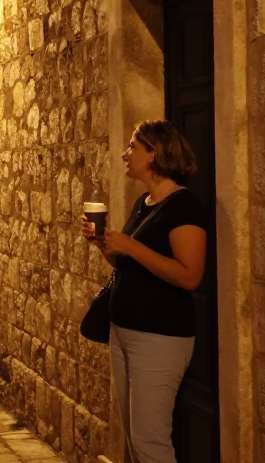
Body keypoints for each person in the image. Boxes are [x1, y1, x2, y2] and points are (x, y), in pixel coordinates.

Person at [82, 120, 208, 463]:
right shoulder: (144, 202)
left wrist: (132, 247)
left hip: (160, 337)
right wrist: (103, 246)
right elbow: (129, 267)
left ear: (155, 154)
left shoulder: (184, 207)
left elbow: (189, 276)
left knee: (150, 441)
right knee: (135, 439)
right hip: (124, 331)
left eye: (133, 147)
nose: (125, 154)